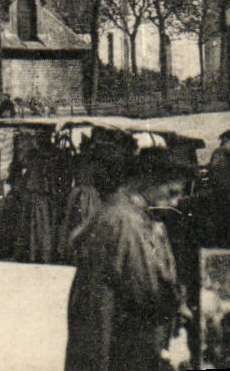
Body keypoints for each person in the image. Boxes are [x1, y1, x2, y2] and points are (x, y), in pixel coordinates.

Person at [63, 148, 191, 371]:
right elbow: (140, 288)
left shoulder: (143, 215)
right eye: (171, 192)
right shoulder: (122, 220)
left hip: (131, 342)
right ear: (147, 182)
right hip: (119, 345)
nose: (176, 201)